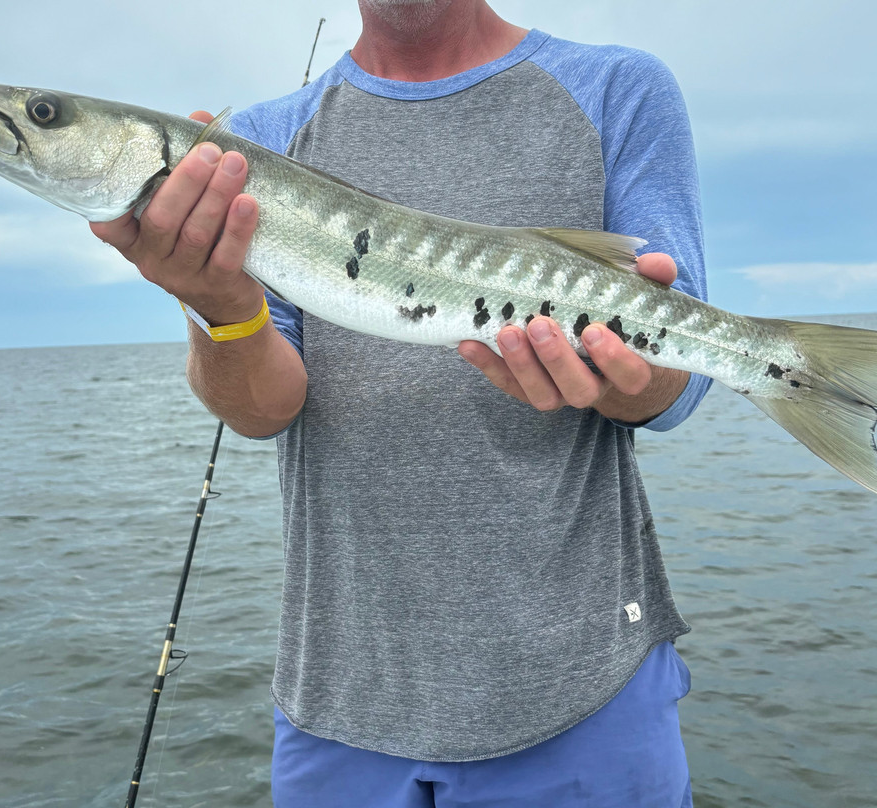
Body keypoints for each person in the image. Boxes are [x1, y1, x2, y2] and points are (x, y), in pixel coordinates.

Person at [94, 1, 712, 805]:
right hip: (337, 699)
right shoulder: (256, 143)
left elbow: (679, 387)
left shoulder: (619, 89)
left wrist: (630, 372)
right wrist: (218, 305)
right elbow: (261, 410)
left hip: (585, 687)